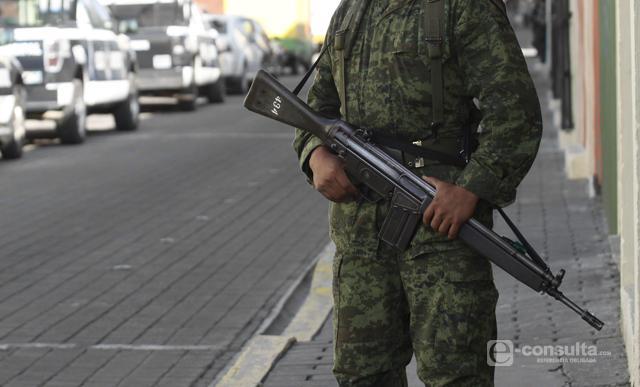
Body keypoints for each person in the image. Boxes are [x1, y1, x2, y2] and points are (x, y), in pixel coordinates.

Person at [293, 0, 543, 385]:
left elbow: (515, 113)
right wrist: (315, 155)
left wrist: (471, 188)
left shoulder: (464, 9)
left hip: (441, 229)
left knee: (456, 374)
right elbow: (316, 107)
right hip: (361, 237)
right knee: (363, 375)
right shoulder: (351, 11)